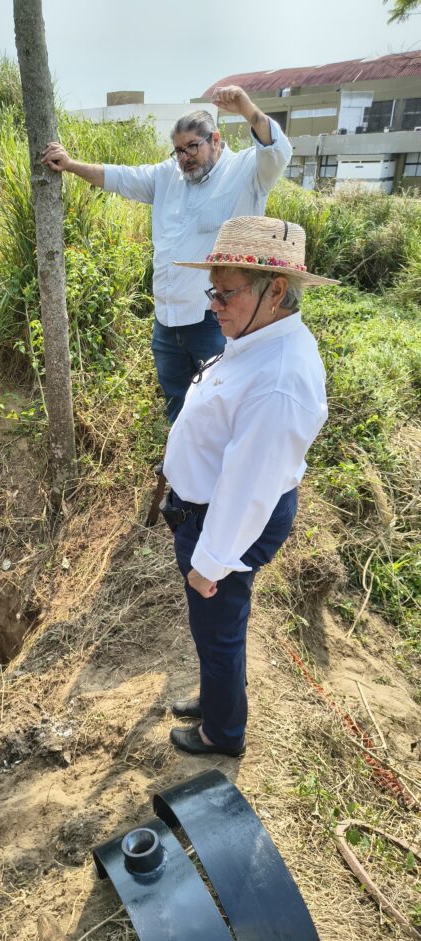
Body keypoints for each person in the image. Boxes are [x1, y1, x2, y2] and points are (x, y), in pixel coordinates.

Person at [160, 216, 338, 756]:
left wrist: (211, 562)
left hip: (226, 519)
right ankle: (218, 699)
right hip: (211, 510)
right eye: (211, 291)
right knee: (213, 625)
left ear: (275, 291)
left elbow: (249, 484)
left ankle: (223, 733)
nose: (213, 305)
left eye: (226, 293)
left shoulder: (280, 377)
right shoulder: (255, 338)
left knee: (218, 626)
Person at [41, 86, 292, 422]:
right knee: (177, 403)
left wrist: (247, 107)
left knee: (220, 404)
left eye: (192, 147)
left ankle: (218, 456)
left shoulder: (248, 171)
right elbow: (120, 177)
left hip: (215, 317)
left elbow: (276, 150)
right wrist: (71, 165)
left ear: (216, 140)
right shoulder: (168, 175)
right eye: (178, 150)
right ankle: (180, 453)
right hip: (167, 320)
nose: (185, 157)